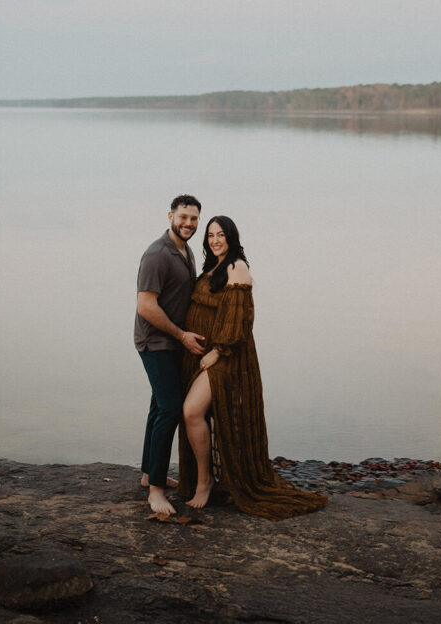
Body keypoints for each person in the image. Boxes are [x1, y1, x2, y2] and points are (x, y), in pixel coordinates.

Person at [179, 216, 327, 519]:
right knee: (197, 413)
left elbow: (240, 318)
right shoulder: (212, 268)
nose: (215, 240)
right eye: (210, 235)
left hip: (228, 357)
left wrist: (218, 351)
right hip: (203, 353)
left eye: (221, 234)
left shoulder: (237, 267)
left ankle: (206, 481)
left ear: (232, 237)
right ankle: (207, 477)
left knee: (192, 411)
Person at [134, 195, 205, 515]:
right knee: (171, 409)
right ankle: (156, 492)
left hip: (173, 342)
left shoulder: (185, 250)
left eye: (194, 219)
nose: (188, 223)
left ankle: (150, 473)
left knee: (158, 405)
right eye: (183, 217)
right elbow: (145, 305)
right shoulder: (157, 255)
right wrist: (180, 335)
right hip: (155, 342)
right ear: (170, 216)